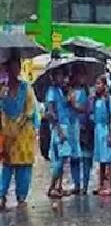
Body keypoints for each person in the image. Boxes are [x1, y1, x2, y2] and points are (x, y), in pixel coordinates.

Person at [0, 56, 37, 209]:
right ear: (7, 69)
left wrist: (19, 122)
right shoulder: (3, 89)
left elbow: (30, 109)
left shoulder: (26, 87)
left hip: (24, 133)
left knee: (24, 167)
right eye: (13, 66)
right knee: (7, 166)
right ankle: (1, 195)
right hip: (8, 133)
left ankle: (21, 197)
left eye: (18, 66)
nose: (16, 69)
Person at [45, 67, 72, 199]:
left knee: (61, 158)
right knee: (61, 159)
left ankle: (58, 187)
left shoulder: (61, 91)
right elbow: (51, 111)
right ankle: (51, 187)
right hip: (59, 127)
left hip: (63, 125)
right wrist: (59, 130)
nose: (62, 78)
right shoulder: (52, 91)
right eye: (60, 75)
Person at [91, 76, 111, 196]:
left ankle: (110, 185)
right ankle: (101, 183)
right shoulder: (95, 100)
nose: (97, 86)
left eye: (99, 84)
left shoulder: (110, 100)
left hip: (106, 130)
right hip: (97, 130)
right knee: (101, 159)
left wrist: (110, 134)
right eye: (96, 84)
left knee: (109, 158)